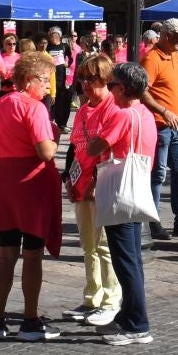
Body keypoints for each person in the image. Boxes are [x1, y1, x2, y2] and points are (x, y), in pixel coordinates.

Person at [0, 51, 63, 342]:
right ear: (29, 80)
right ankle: (30, 320)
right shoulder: (35, 108)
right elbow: (45, 151)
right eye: (45, 80)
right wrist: (55, 139)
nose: (48, 86)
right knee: (32, 254)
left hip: (4, 183)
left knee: (7, 252)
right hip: (31, 186)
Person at [86, 62, 158, 346]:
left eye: (112, 84)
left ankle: (138, 324)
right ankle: (128, 317)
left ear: (124, 88)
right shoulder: (145, 115)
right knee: (132, 259)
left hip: (121, 191)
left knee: (126, 261)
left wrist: (91, 132)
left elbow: (95, 148)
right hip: (136, 188)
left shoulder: (124, 115)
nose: (109, 88)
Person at [62, 53, 122, 327]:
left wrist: (95, 185)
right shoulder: (84, 110)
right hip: (81, 183)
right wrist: (69, 178)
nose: (86, 84)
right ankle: (92, 297)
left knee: (105, 246)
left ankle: (111, 300)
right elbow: (75, 146)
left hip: (102, 184)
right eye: (82, 78)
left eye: (92, 79)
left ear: (107, 80)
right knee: (88, 245)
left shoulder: (112, 108)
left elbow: (110, 150)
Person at [141, 18, 178, 242]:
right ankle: (154, 222)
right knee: (158, 174)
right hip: (160, 124)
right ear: (165, 35)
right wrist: (164, 112)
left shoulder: (174, 55)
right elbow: (143, 91)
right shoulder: (151, 58)